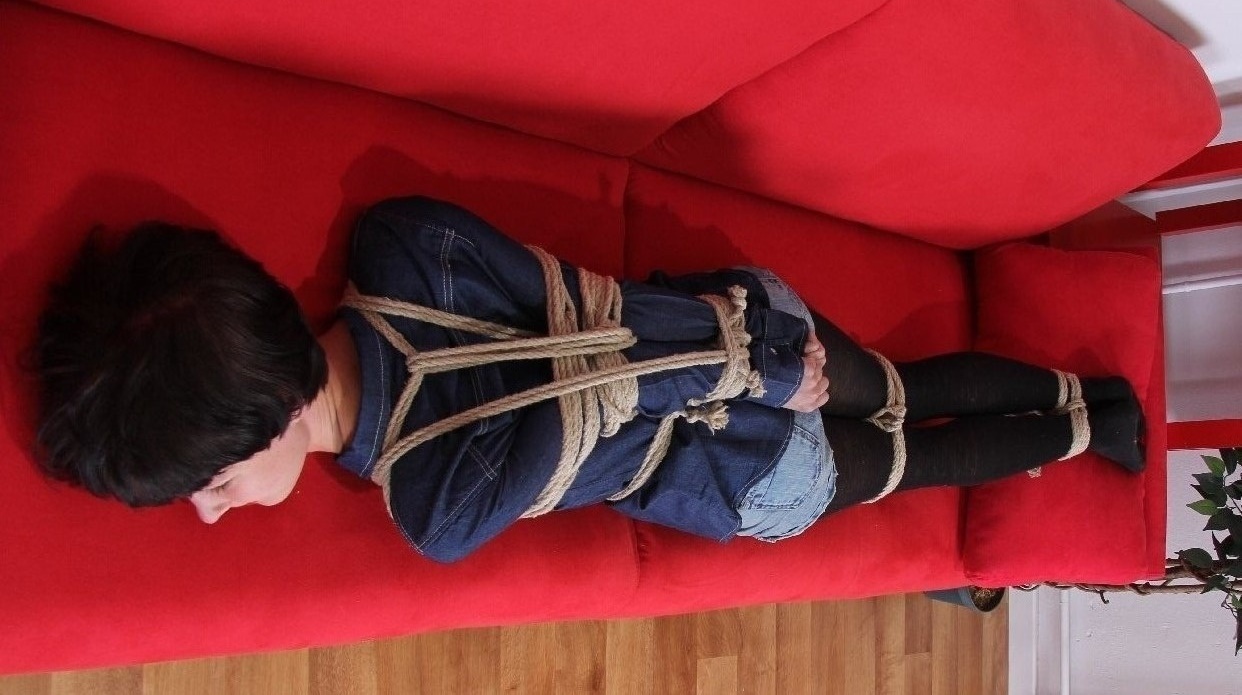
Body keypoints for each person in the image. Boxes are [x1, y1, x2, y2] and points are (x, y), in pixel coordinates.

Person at [34, 196, 1145, 563]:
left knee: (911, 459)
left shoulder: (431, 502)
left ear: (271, 411)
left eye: (211, 476)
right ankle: (1079, 394)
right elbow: (587, 314)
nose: (210, 505)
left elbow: (592, 397)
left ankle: (1091, 428)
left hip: (733, 466)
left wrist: (750, 376)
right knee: (898, 387)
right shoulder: (399, 241)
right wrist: (747, 350)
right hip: (736, 317)